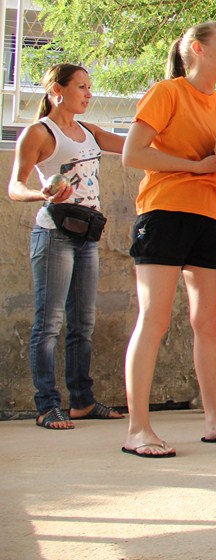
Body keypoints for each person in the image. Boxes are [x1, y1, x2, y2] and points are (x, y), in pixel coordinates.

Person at [120, 22, 216, 457]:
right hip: (163, 214)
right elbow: (133, 153)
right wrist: (195, 168)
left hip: (209, 221)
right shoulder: (168, 92)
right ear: (197, 49)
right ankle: (137, 429)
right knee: (154, 320)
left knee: (208, 326)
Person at [7, 64, 125, 430]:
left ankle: (82, 401)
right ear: (58, 91)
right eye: (82, 87)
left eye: (90, 87)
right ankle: (46, 405)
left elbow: (134, 144)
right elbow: (14, 186)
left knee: (83, 323)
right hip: (54, 232)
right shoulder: (39, 133)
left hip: (87, 234)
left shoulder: (89, 130)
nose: (89, 94)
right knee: (49, 323)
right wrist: (40, 193)